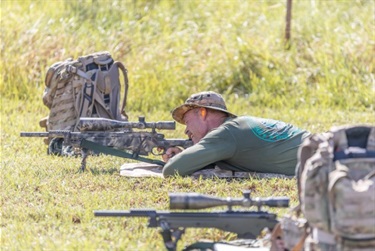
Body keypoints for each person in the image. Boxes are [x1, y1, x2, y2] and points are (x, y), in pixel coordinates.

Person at [161, 91, 310, 177]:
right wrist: (188, 153)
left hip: (325, 161)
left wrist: (177, 158)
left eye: (187, 121)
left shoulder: (225, 134)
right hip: (326, 147)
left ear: (202, 112)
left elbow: (171, 170)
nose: (186, 130)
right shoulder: (238, 126)